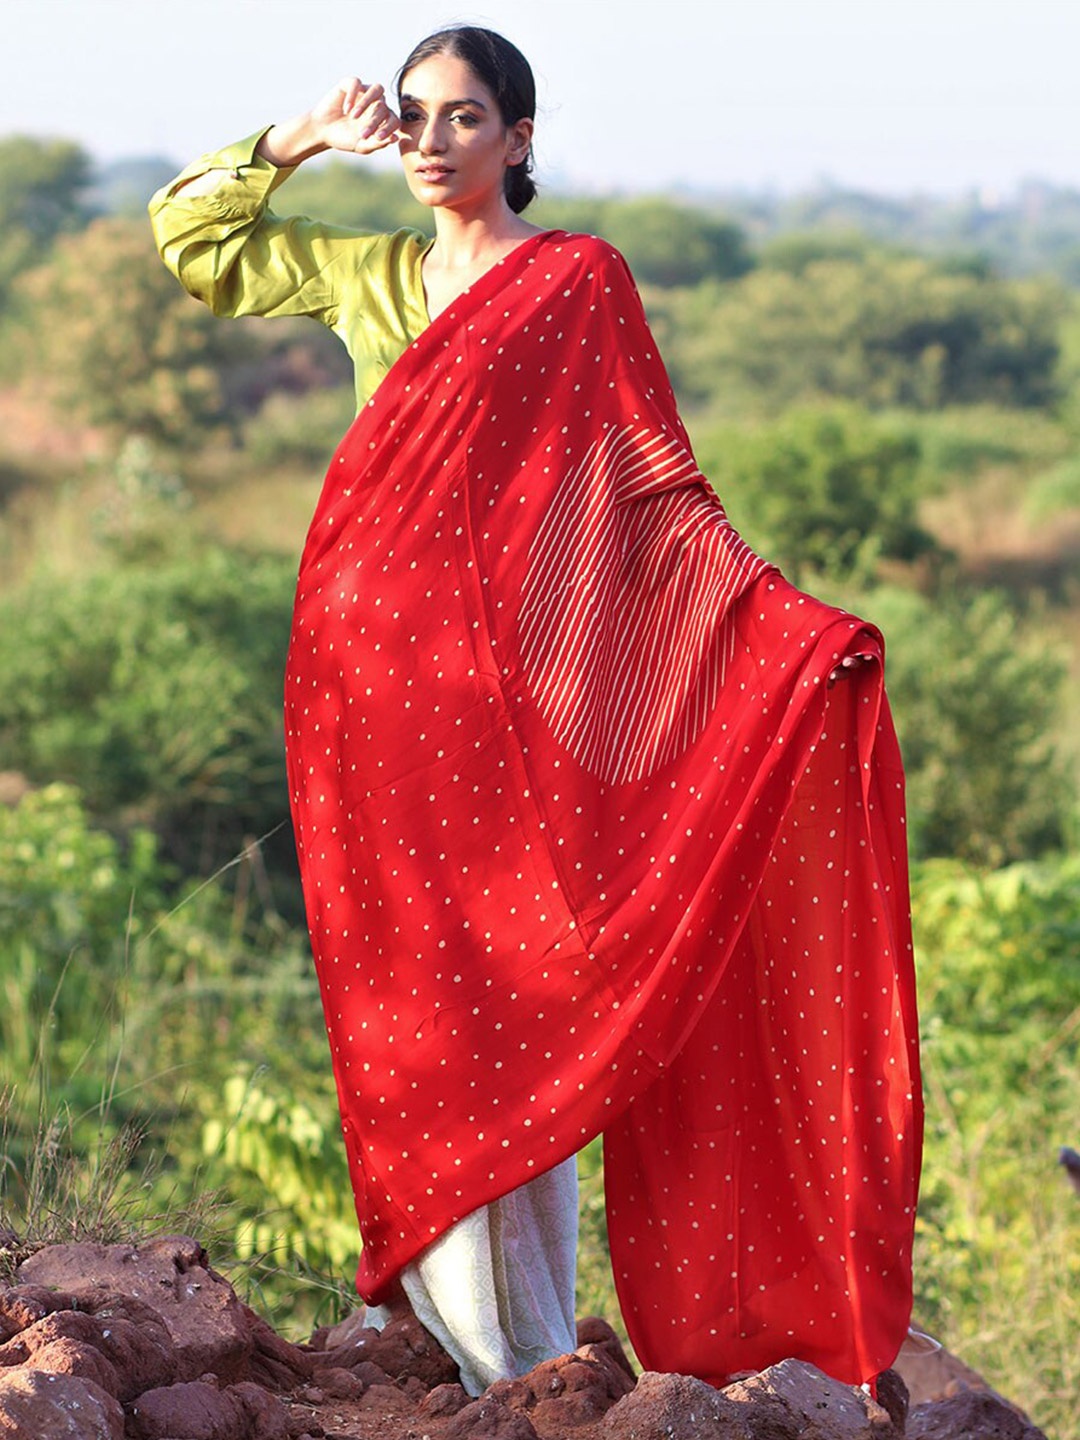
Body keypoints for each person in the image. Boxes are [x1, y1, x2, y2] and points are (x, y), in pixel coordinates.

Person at [150, 25, 921, 1399]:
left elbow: (650, 491)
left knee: (526, 997)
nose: (434, 142)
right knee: (418, 994)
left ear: (519, 138)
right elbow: (193, 243)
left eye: (465, 118)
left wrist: (781, 632)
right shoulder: (369, 277)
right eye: (416, 117)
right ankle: (480, 1343)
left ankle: (537, 1346)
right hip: (380, 689)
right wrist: (301, 141)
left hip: (522, 705)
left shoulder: (574, 284)